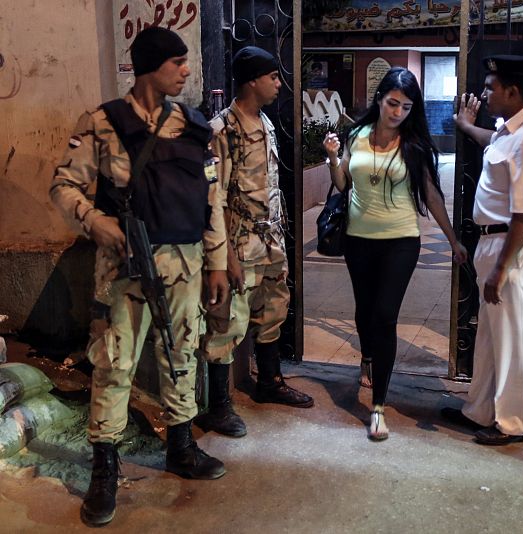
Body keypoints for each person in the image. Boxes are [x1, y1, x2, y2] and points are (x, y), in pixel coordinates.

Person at [49, 27, 229, 526]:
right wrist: (95, 220)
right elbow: (63, 185)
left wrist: (217, 263)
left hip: (186, 266)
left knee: (181, 355)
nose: (187, 71)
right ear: (152, 66)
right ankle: (104, 470)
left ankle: (180, 447)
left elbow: (213, 203)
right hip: (125, 266)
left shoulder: (195, 128)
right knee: (114, 363)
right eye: (178, 63)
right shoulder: (104, 123)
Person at [322, 67, 468, 441]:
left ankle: (378, 408)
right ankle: (367, 355)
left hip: (401, 241)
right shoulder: (357, 135)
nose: (397, 112)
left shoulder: (413, 146)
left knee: (385, 316)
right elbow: (343, 184)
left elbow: (432, 195)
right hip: (358, 238)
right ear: (379, 99)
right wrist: (333, 157)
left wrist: (453, 240)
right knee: (364, 309)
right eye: (392, 103)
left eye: (405, 106)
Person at [196, 46, 314, 440]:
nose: (279, 84)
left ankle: (269, 382)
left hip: (270, 241)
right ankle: (218, 407)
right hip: (238, 245)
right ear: (251, 80)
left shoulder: (265, 123)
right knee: (226, 323)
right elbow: (214, 199)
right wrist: (224, 256)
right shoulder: (221, 131)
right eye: (273, 77)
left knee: (273, 310)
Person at [444, 55, 523, 446]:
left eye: (492, 86)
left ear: (513, 91)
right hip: (496, 243)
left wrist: (501, 270)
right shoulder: (512, 129)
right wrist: (465, 125)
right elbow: (491, 144)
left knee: (514, 339)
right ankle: (480, 412)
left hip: (515, 247)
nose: (485, 92)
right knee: (492, 337)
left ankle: (517, 423)